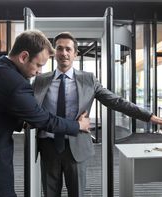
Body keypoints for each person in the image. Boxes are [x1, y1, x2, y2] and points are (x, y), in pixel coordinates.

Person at [0, 30, 91, 197]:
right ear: (23, 57)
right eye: (38, 64)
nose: (39, 71)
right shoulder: (16, 84)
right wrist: (79, 125)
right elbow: (44, 120)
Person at [32, 31, 162, 197]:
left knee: (77, 193)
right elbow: (28, 106)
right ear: (53, 52)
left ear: (75, 53)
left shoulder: (88, 79)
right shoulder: (40, 80)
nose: (64, 53)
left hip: (77, 145)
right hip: (48, 146)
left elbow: (116, 101)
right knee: (49, 193)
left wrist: (150, 116)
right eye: (59, 48)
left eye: (68, 49)